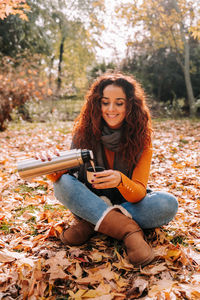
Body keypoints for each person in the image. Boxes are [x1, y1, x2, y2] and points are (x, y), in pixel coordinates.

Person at [39, 72, 178, 267]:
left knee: (168, 204)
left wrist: (120, 180)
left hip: (127, 205)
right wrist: (51, 164)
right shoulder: (83, 133)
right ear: (97, 104)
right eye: (105, 102)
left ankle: (92, 224)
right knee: (62, 184)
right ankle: (128, 231)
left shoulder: (142, 139)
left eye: (119, 103)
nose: (111, 109)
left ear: (130, 105)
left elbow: (138, 193)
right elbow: (66, 178)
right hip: (89, 201)